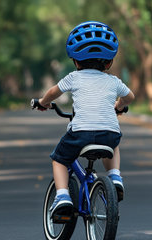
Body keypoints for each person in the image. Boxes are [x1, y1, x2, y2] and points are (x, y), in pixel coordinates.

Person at [37, 21, 135, 217]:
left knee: (59, 159)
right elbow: (130, 97)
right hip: (108, 133)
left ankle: (63, 196)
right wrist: (120, 105)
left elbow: (52, 93)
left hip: (81, 132)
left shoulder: (73, 78)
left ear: (75, 61)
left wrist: (42, 102)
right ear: (108, 63)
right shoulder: (113, 81)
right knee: (113, 145)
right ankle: (115, 176)